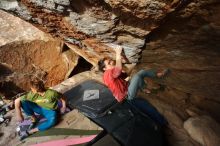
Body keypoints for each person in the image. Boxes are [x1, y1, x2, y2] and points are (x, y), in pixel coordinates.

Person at [98, 46, 169, 125]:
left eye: (111, 61)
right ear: (104, 68)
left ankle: (157, 76)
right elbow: (118, 70)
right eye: (109, 63)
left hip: (127, 92)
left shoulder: (111, 73)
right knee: (138, 76)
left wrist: (133, 64)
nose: (112, 62)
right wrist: (118, 53)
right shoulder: (107, 74)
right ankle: (161, 122)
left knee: (145, 106)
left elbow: (126, 76)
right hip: (126, 97)